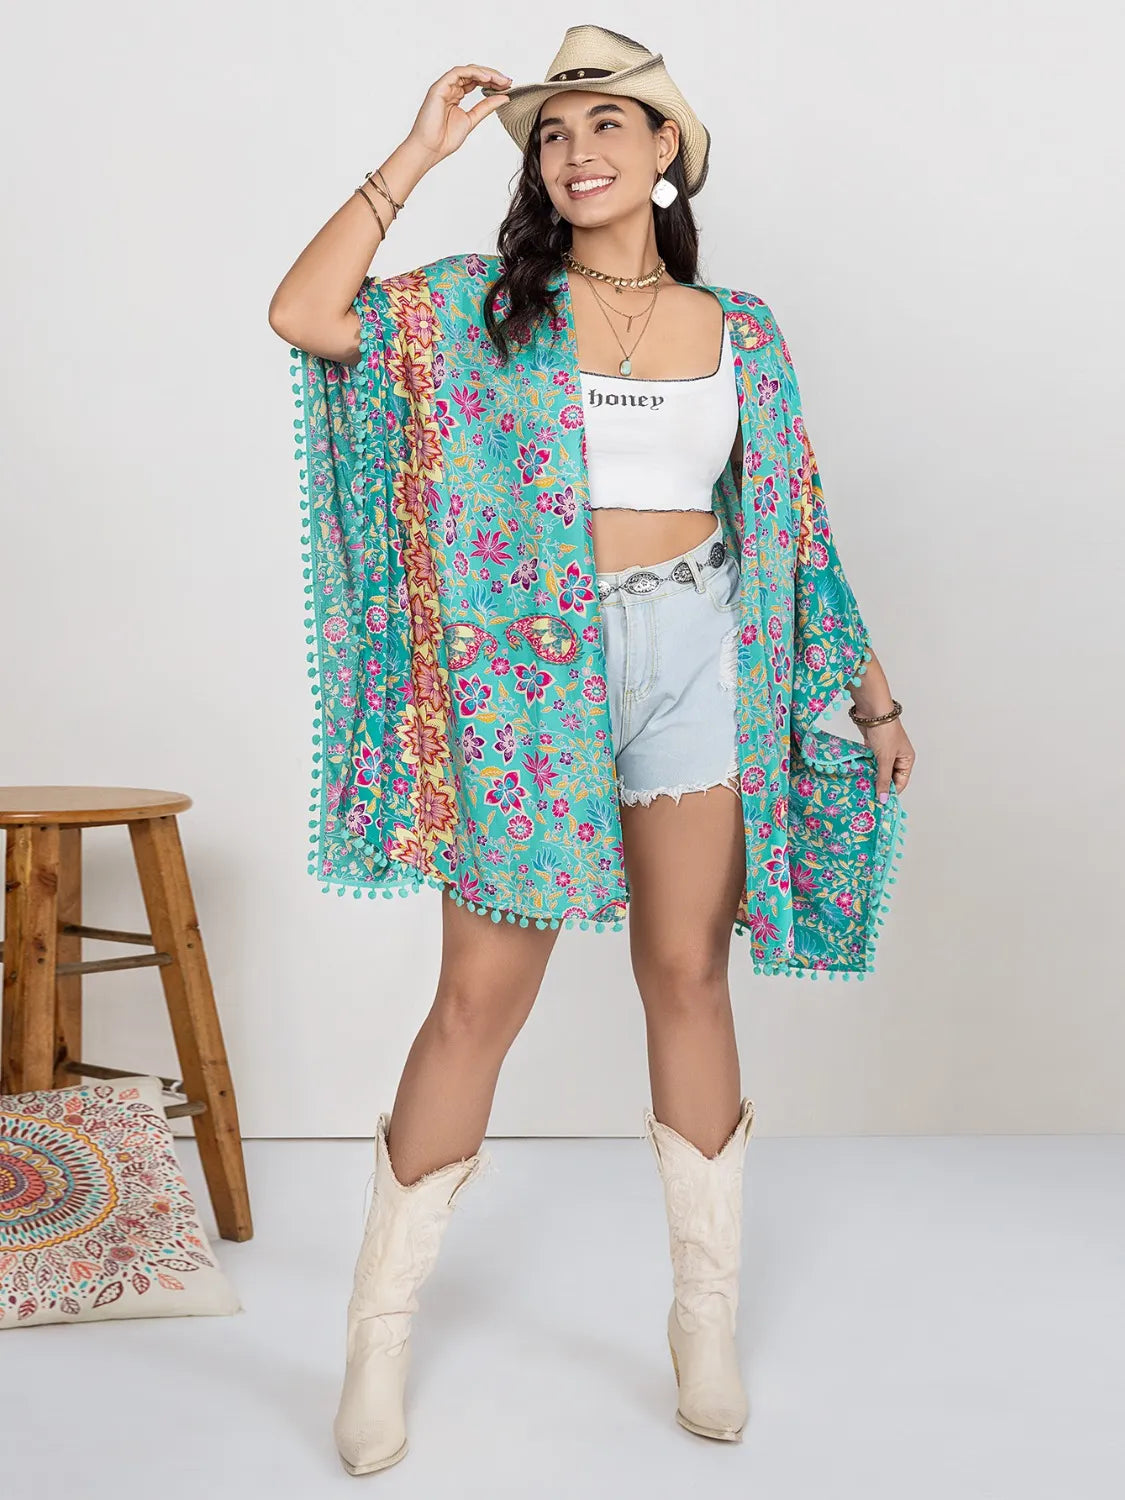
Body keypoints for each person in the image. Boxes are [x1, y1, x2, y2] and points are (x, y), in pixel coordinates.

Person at [269, 25, 915, 1476]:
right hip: (522, 684)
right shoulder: (476, 311)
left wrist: (871, 696)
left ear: (665, 149)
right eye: (554, 134)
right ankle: (375, 1341)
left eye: (607, 125)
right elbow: (305, 315)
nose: (577, 153)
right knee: (474, 1002)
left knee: (686, 976)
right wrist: (418, 152)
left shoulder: (741, 330)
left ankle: (703, 1322)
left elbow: (795, 524)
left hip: (699, 657)